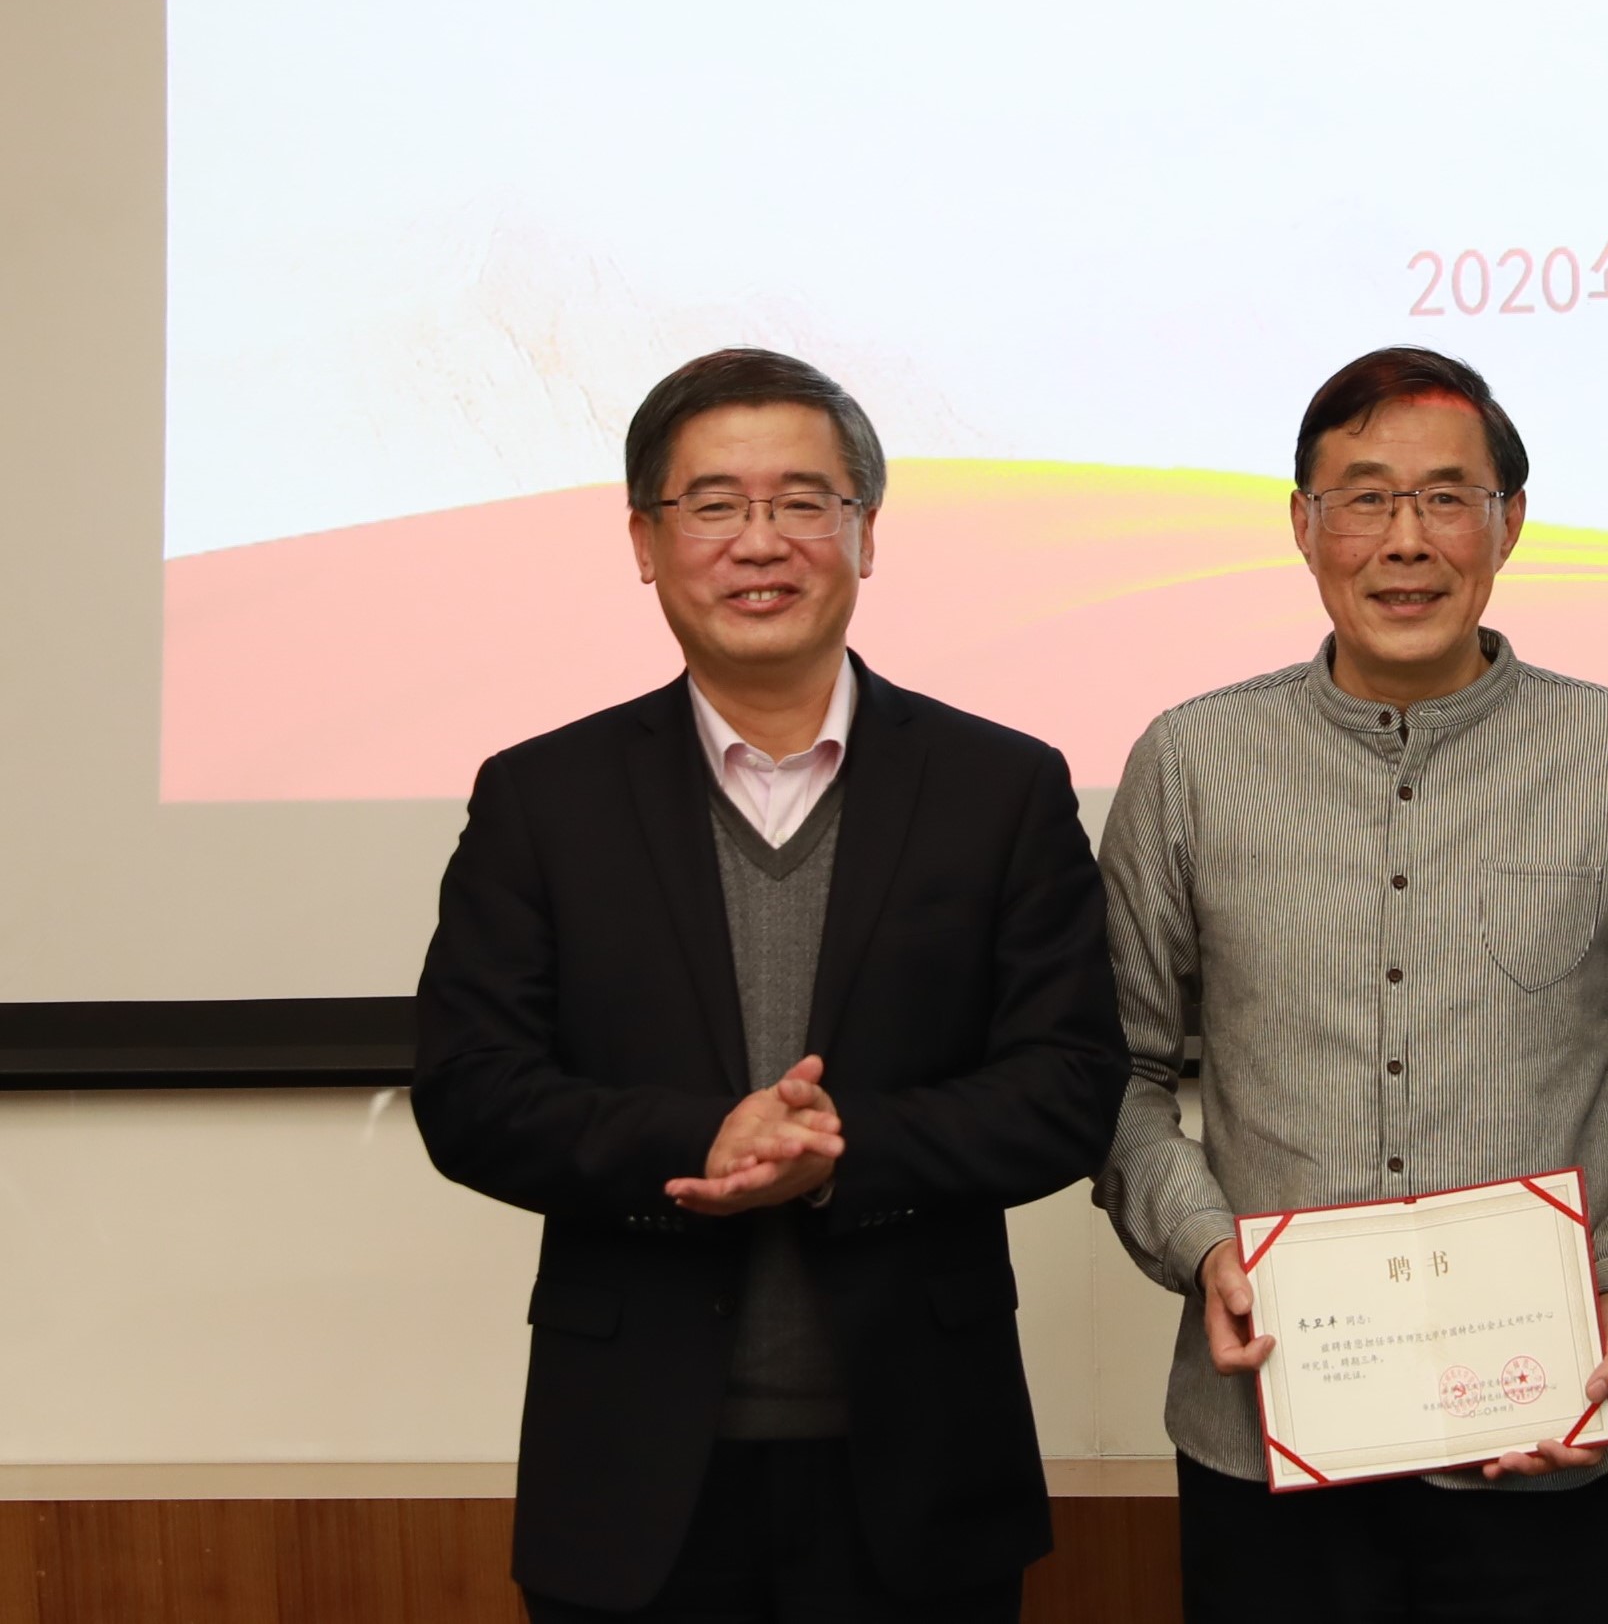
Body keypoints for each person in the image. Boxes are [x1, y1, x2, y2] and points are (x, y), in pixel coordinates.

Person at [413, 348, 1128, 1622]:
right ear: (645, 540)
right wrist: (700, 1139)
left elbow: (1070, 1083)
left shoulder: (999, 788)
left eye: (804, 502)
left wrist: (845, 1150)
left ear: (866, 532)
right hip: (633, 1469)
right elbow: (471, 1091)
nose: (761, 542)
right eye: (714, 505)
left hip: (923, 1461)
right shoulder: (543, 798)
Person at [1096, 346, 1608, 1624]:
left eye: (1447, 497)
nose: (1405, 540)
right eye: (1364, 496)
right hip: (1266, 1440)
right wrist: (1203, 1244)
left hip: (1546, 1434)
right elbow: (1107, 1070)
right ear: (1304, 524)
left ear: (1509, 522)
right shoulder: (1190, 762)